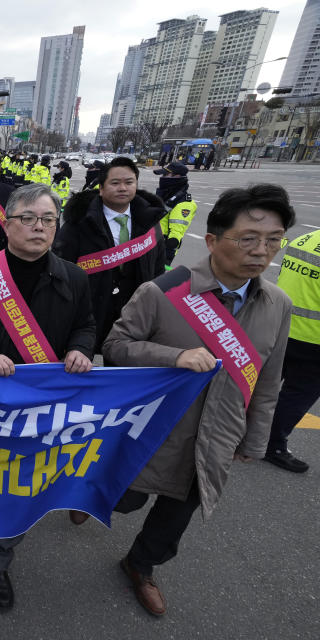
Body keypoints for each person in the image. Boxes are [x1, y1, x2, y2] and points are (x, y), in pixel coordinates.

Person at [100, 184, 294, 617]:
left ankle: (141, 565)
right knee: (122, 497)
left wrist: (254, 440)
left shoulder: (278, 305)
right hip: (150, 434)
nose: (262, 252)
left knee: (175, 516)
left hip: (214, 439)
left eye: (273, 240)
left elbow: (268, 380)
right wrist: (174, 357)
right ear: (212, 241)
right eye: (248, 239)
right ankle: (90, 504)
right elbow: (116, 346)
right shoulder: (162, 292)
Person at [0, 183, 95, 612]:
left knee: (22, 483)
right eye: (28, 218)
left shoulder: (74, 277)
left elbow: (87, 325)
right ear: (7, 225)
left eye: (48, 219)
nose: (38, 227)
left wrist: (82, 349)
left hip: (44, 408)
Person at [55, 157, 165, 353]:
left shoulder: (149, 221)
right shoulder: (80, 222)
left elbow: (157, 267)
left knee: (123, 371)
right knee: (79, 366)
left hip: (134, 311)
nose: (122, 188)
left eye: (129, 182)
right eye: (115, 183)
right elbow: (61, 266)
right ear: (101, 188)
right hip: (88, 309)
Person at [263, 228, 320, 473]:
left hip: (280, 324)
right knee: (297, 394)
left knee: (263, 384)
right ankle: (272, 445)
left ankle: (232, 430)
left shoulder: (307, 238)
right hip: (313, 337)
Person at [153, 162, 197, 266]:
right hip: (150, 244)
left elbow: (175, 235)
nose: (162, 177)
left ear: (176, 176)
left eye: (165, 175)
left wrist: (166, 257)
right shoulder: (167, 194)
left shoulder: (184, 203)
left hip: (160, 251)